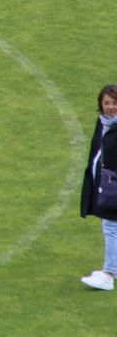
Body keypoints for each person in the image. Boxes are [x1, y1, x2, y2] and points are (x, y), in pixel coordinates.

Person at [79, 85, 117, 291]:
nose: (110, 107)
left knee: (111, 227)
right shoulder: (103, 122)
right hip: (104, 184)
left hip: (113, 185)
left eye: (114, 103)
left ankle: (108, 274)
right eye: (106, 103)